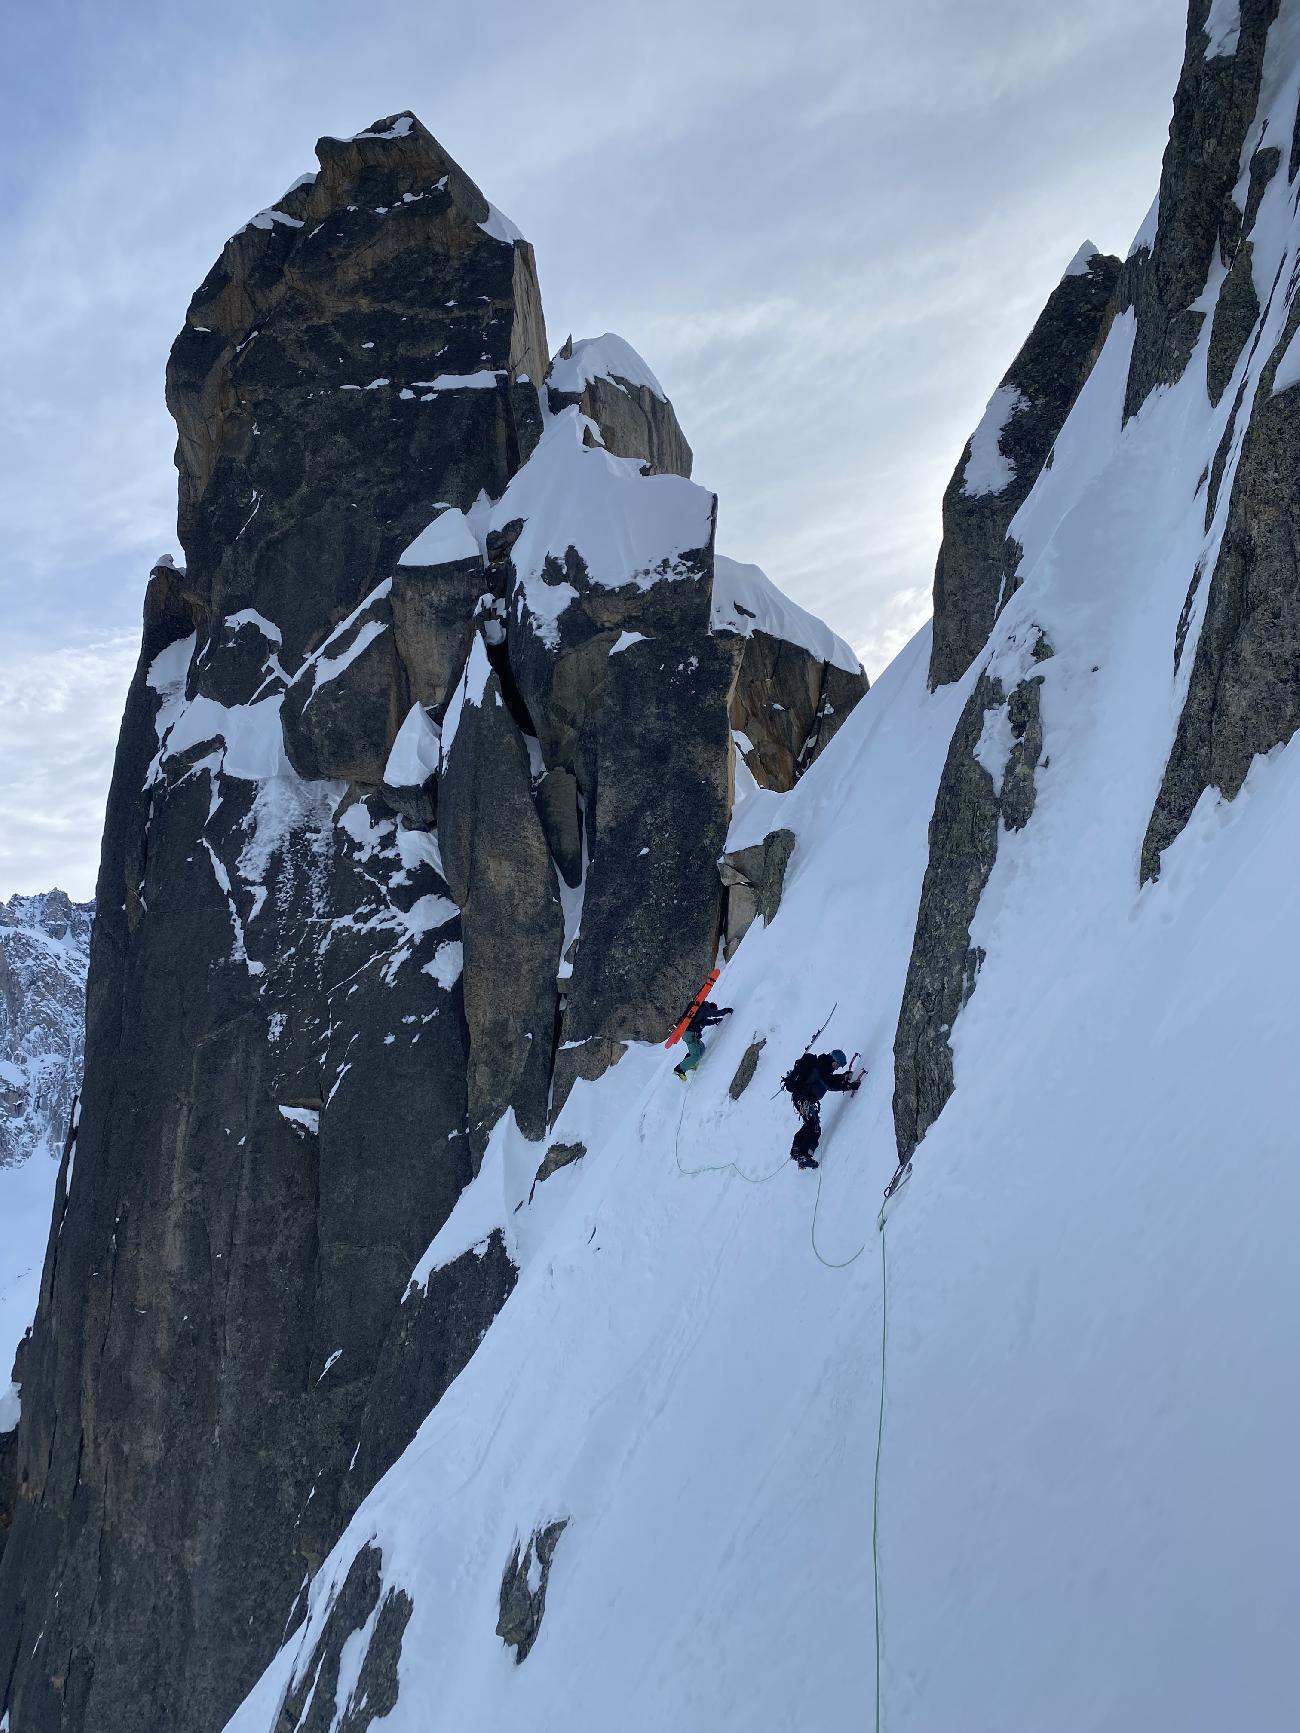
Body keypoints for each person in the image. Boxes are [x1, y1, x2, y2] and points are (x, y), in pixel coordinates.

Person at [782, 1048, 860, 1168]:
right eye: (838, 1065)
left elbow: (828, 1080)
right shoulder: (821, 1068)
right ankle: (805, 1156)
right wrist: (850, 1086)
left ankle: (797, 1148)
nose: (837, 1068)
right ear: (834, 1061)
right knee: (814, 1128)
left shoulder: (822, 1066)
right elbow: (829, 1085)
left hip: (801, 1099)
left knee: (810, 1124)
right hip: (804, 1100)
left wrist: (843, 1077)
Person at [674, 1000, 732, 1079]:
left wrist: (715, 1021)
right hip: (690, 1034)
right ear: (711, 1007)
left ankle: (691, 1063)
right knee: (696, 1055)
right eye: (711, 1010)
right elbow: (715, 1013)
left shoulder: (700, 1014)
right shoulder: (704, 1009)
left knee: (701, 1048)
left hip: (690, 1034)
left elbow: (705, 1022)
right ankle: (679, 1070)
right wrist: (727, 1010)